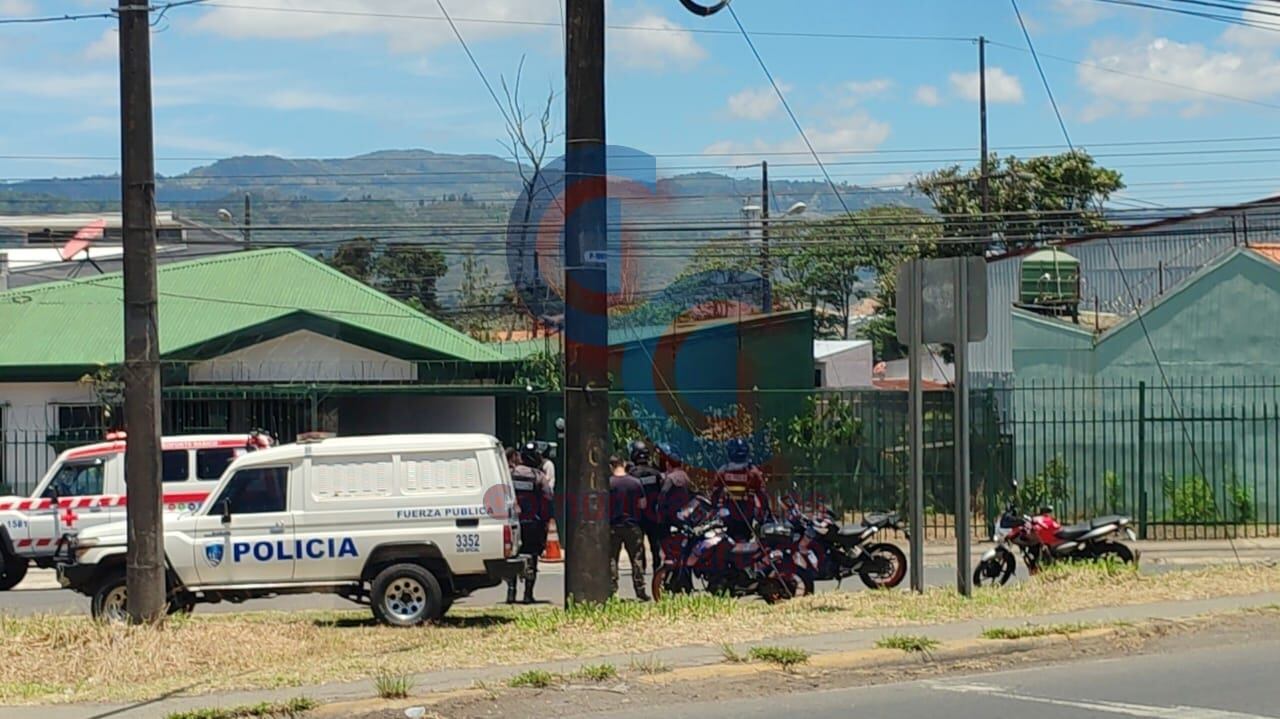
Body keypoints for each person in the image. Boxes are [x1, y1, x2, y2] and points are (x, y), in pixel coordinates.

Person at [507, 442, 553, 604]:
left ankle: (511, 593)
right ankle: (528, 594)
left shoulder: (509, 474)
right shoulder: (538, 476)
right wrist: (546, 522)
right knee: (532, 558)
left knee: (512, 557)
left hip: (514, 524)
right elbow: (547, 500)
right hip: (533, 525)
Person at [711, 437, 771, 541]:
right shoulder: (753, 472)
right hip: (747, 514)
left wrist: (713, 507)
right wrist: (765, 511)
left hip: (728, 514)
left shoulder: (724, 471)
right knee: (746, 538)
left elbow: (715, 492)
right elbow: (762, 494)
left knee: (728, 540)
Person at [609, 455, 650, 601]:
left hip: (613, 526)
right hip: (632, 525)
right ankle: (640, 590)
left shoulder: (608, 483)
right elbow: (643, 504)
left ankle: (613, 591)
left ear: (611, 466)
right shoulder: (635, 483)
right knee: (636, 558)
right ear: (624, 463)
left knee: (612, 558)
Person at [628, 439, 665, 572]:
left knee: (639, 545)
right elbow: (662, 492)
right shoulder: (655, 473)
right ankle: (657, 567)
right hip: (653, 514)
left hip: (638, 515)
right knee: (655, 544)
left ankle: (641, 568)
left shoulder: (632, 475)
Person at [656, 442, 693, 529]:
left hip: (672, 513)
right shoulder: (685, 475)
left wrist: (659, 509)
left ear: (668, 464)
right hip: (684, 510)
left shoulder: (670, 478)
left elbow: (663, 493)